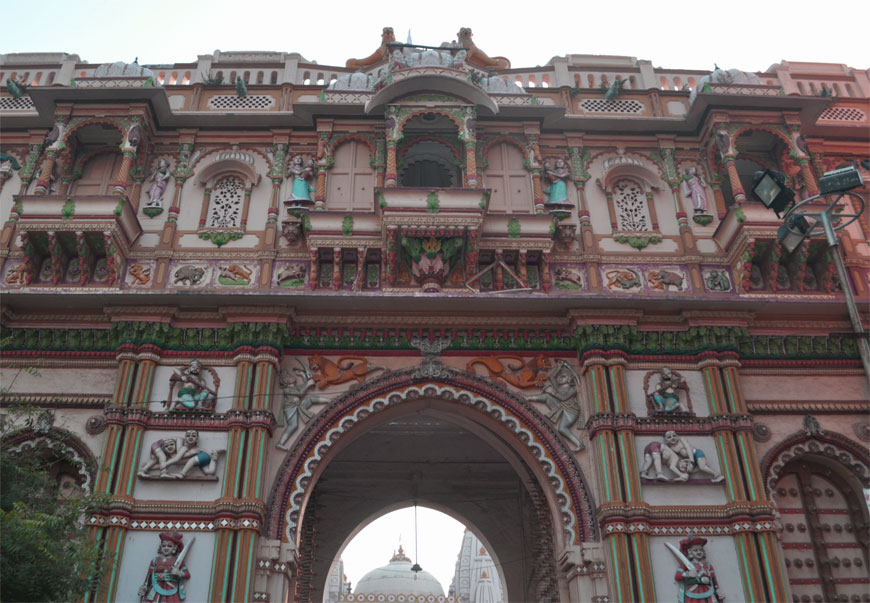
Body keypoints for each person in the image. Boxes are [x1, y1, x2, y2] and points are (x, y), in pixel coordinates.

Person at [527, 360, 583, 451]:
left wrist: (552, 392)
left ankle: (579, 444)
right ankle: (527, 398)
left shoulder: (572, 390)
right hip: (561, 408)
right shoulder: (558, 387)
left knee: (562, 428)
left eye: (563, 376)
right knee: (546, 396)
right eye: (560, 376)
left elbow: (563, 398)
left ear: (570, 379)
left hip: (571, 411)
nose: (560, 378)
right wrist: (559, 367)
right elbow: (551, 377)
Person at [276, 364, 330, 450]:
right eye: (287, 377)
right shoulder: (286, 390)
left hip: (298, 406)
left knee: (310, 399)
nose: (290, 377)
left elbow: (306, 386)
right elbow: (301, 393)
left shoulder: (297, 387)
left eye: (289, 375)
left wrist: (303, 375)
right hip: (290, 408)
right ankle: (280, 443)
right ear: (285, 381)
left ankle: (329, 401)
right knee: (293, 425)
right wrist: (308, 385)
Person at [138, 531, 190, 602]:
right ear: (161, 546)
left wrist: (178, 573)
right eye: (164, 545)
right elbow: (148, 578)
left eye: (169, 546)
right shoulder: (155, 561)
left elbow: (187, 574)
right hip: (154, 591)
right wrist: (144, 587)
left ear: (174, 547)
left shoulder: (177, 562)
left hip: (170, 592)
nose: (166, 548)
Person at [674, 537, 725, 603]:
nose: (699, 552)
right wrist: (688, 574)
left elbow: (714, 580)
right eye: (695, 550)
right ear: (690, 552)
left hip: (708, 591)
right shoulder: (686, 565)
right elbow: (677, 576)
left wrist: (718, 591)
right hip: (694, 593)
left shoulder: (708, 566)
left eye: (700, 550)